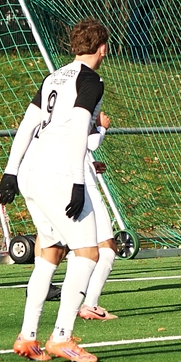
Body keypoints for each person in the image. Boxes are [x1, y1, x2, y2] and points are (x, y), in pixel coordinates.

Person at [0, 18, 110, 362]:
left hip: (31, 170)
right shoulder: (90, 80)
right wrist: (77, 181)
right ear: (102, 49)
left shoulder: (54, 77)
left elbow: (28, 123)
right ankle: (62, 337)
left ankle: (27, 336)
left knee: (51, 252)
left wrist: (10, 172)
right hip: (58, 172)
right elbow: (79, 128)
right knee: (87, 254)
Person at [77, 110, 120, 320]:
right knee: (107, 246)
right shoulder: (81, 107)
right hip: (84, 189)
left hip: (61, 184)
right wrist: (102, 127)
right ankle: (90, 304)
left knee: (60, 251)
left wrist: (89, 166)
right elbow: (92, 143)